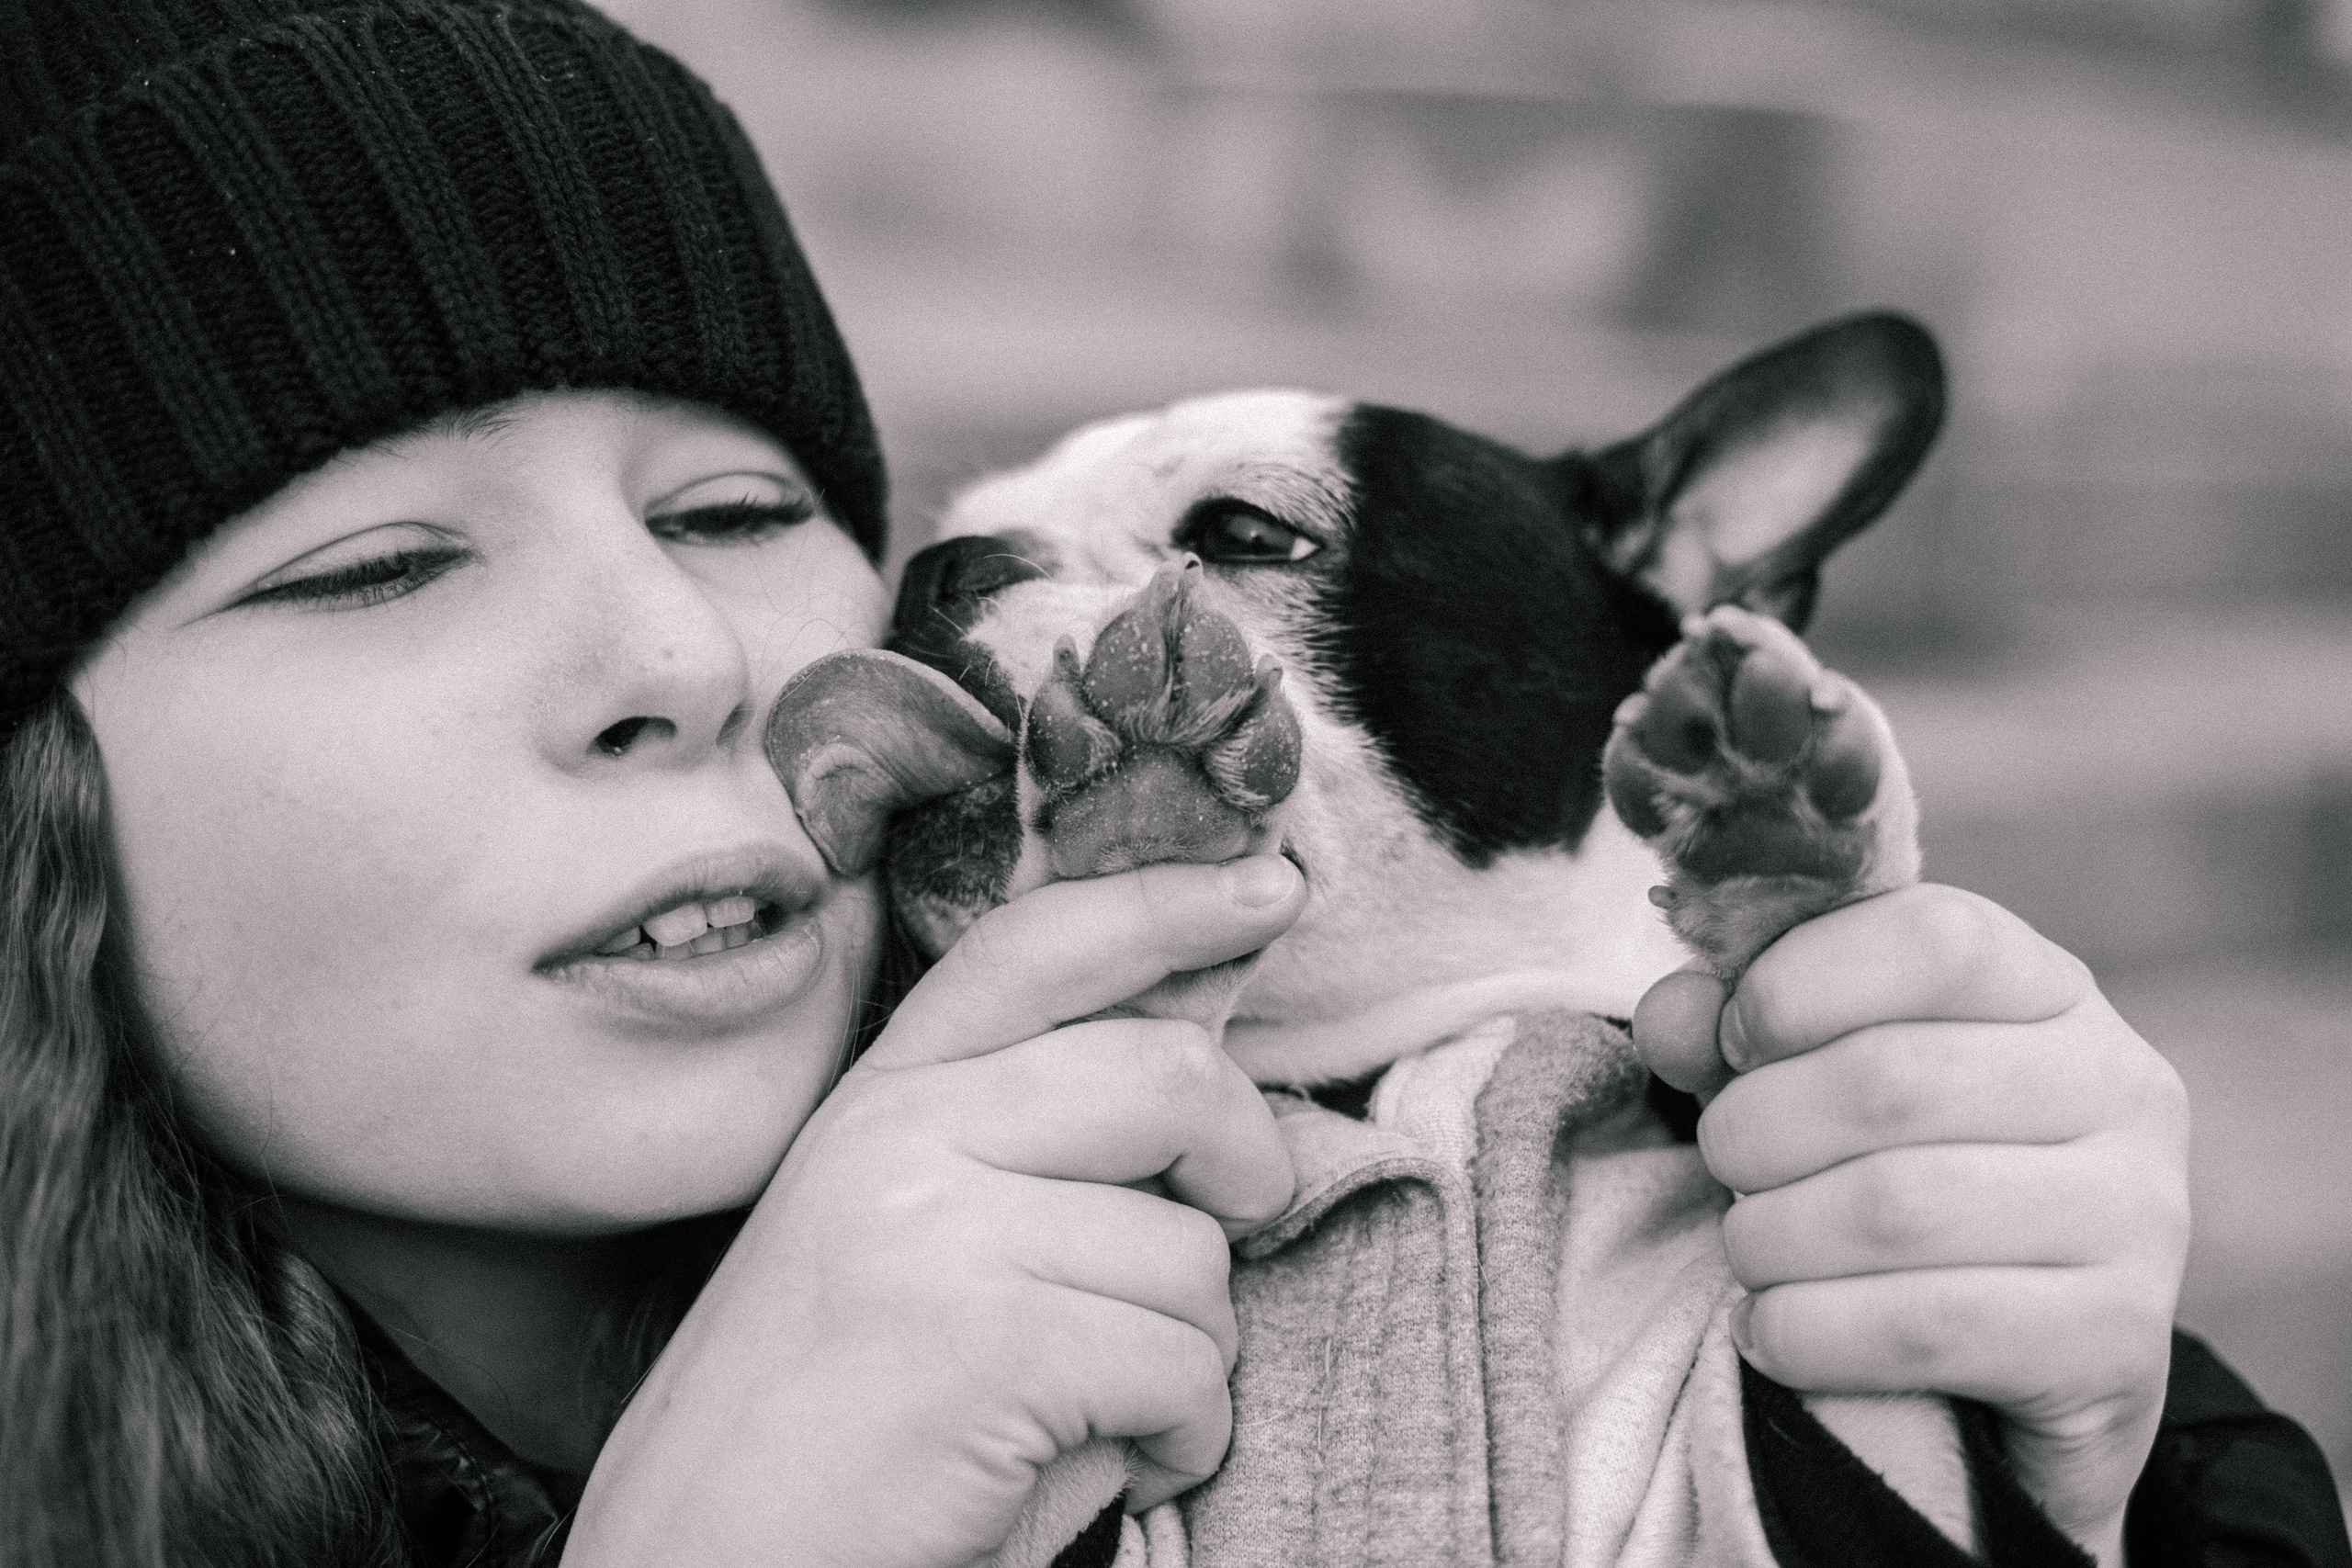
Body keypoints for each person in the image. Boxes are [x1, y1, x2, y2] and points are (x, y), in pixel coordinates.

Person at [0, 2, 2341, 1566]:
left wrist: (2105, 1461)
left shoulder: (1533, 1184)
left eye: (731, 515)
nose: (677, 659)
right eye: (381, 565)